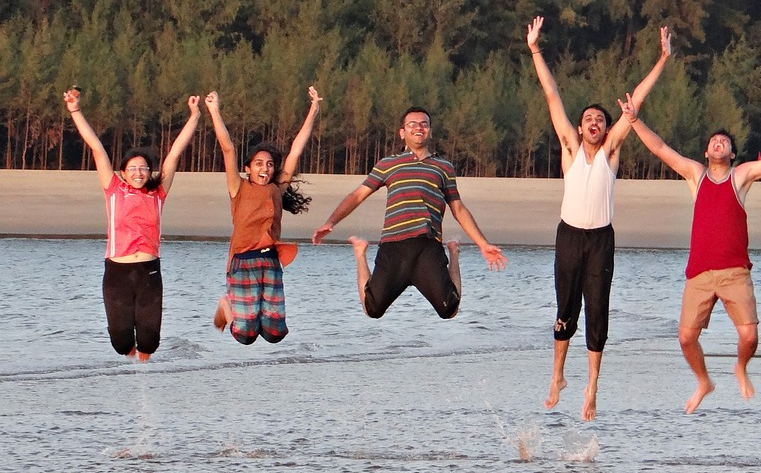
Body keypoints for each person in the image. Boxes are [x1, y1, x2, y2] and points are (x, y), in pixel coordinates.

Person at [619, 95, 761, 413]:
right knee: (685, 338)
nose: (718, 143)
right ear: (707, 153)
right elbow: (661, 149)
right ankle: (703, 382)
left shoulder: (740, 176)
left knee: (749, 336)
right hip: (700, 273)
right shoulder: (696, 175)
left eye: (724, 141)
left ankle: (740, 367)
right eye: (714, 141)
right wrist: (634, 120)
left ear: (732, 153)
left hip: (735, 271)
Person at [527, 15, 673, 421]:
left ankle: (591, 387)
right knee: (565, 309)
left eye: (601, 120)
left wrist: (663, 58)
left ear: (607, 129)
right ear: (579, 128)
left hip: (601, 241)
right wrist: (535, 49)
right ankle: (557, 375)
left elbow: (636, 102)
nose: (595, 123)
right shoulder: (570, 150)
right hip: (569, 238)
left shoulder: (610, 153)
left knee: (597, 311)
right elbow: (552, 95)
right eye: (589, 119)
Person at [311, 107, 507, 320]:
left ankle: (453, 252)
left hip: (427, 245)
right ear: (402, 133)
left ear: (430, 131)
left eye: (424, 124)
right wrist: (331, 222)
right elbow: (357, 195)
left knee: (449, 310)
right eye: (412, 124)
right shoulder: (388, 164)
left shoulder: (443, 167)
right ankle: (360, 252)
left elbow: (458, 208)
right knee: (372, 309)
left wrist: (483, 244)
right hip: (394, 245)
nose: (418, 127)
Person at [62, 87, 202, 361]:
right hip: (117, 272)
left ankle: (145, 373)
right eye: (133, 169)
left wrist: (195, 115)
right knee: (120, 341)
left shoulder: (158, 192)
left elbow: (174, 154)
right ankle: (129, 370)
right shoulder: (114, 189)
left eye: (144, 168)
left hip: (149, 271)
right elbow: (96, 147)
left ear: (150, 172)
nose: (139, 173)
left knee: (149, 342)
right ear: (123, 173)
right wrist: (75, 110)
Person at [205, 87, 321, 345]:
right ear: (248, 168)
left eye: (269, 164)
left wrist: (313, 110)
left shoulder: (277, 189)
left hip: (270, 262)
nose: (265, 169)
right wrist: (214, 110)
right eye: (258, 164)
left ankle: (244, 312)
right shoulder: (239, 188)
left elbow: (295, 151)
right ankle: (226, 306)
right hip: (243, 262)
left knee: (274, 334)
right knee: (245, 336)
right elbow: (228, 149)